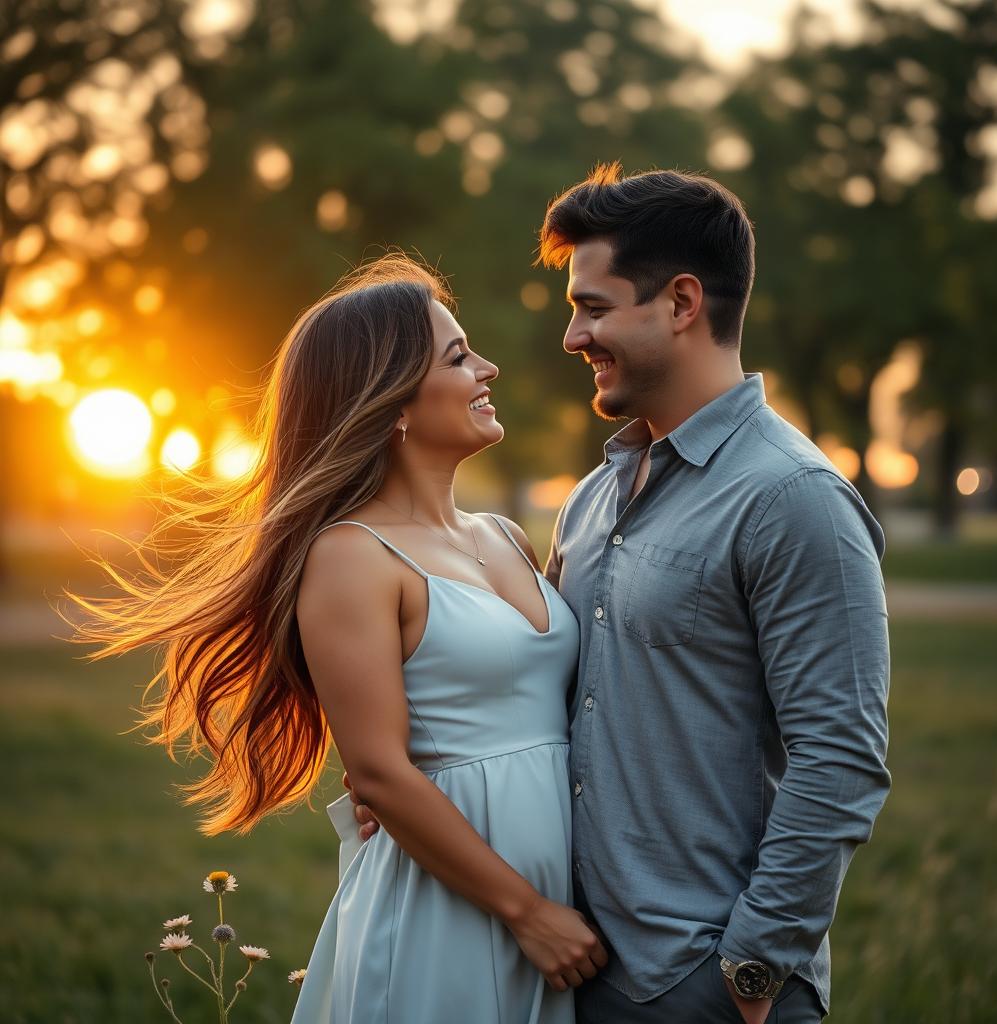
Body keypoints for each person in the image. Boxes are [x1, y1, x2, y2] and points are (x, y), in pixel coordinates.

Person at [353, 166, 891, 1023]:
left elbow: (841, 758)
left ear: (682, 303)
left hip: (704, 983)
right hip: (569, 970)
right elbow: (545, 689)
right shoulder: (595, 495)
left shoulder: (794, 500)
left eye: (593, 308)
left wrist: (749, 976)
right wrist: (409, 774)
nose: (573, 337)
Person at [64, 255, 606, 1024]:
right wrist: (527, 913)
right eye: (457, 358)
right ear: (391, 405)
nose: (486, 368)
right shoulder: (351, 555)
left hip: (559, 896)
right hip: (458, 906)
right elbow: (379, 774)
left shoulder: (508, 536)